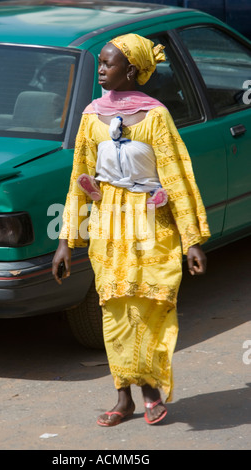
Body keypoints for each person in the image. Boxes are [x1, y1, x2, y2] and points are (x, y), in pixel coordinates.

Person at [52, 33, 210, 427]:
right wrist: (64, 242)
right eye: (101, 63)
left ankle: (152, 391)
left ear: (133, 71)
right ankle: (123, 397)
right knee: (115, 310)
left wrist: (191, 240)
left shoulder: (156, 117)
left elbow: (177, 178)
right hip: (109, 228)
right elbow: (79, 180)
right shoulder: (91, 117)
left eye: (109, 64)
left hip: (151, 225)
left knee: (151, 306)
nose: (101, 69)